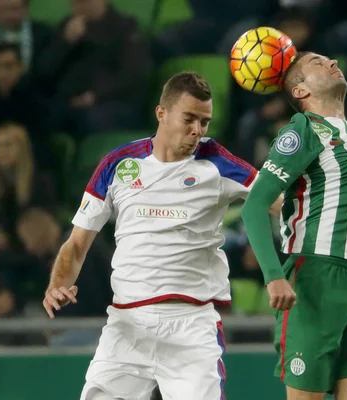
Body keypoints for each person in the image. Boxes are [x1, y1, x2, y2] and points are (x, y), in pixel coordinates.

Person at [42, 72, 281, 400]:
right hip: (127, 326)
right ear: (162, 113)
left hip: (191, 324)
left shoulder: (218, 163)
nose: (197, 130)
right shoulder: (118, 164)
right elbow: (77, 243)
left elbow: (278, 199)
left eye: (205, 121)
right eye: (189, 118)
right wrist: (58, 283)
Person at [241, 51, 347, 400]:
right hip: (318, 277)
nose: (332, 63)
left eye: (330, 60)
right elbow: (254, 205)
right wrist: (273, 276)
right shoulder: (304, 128)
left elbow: (297, 203)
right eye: (317, 63)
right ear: (300, 92)